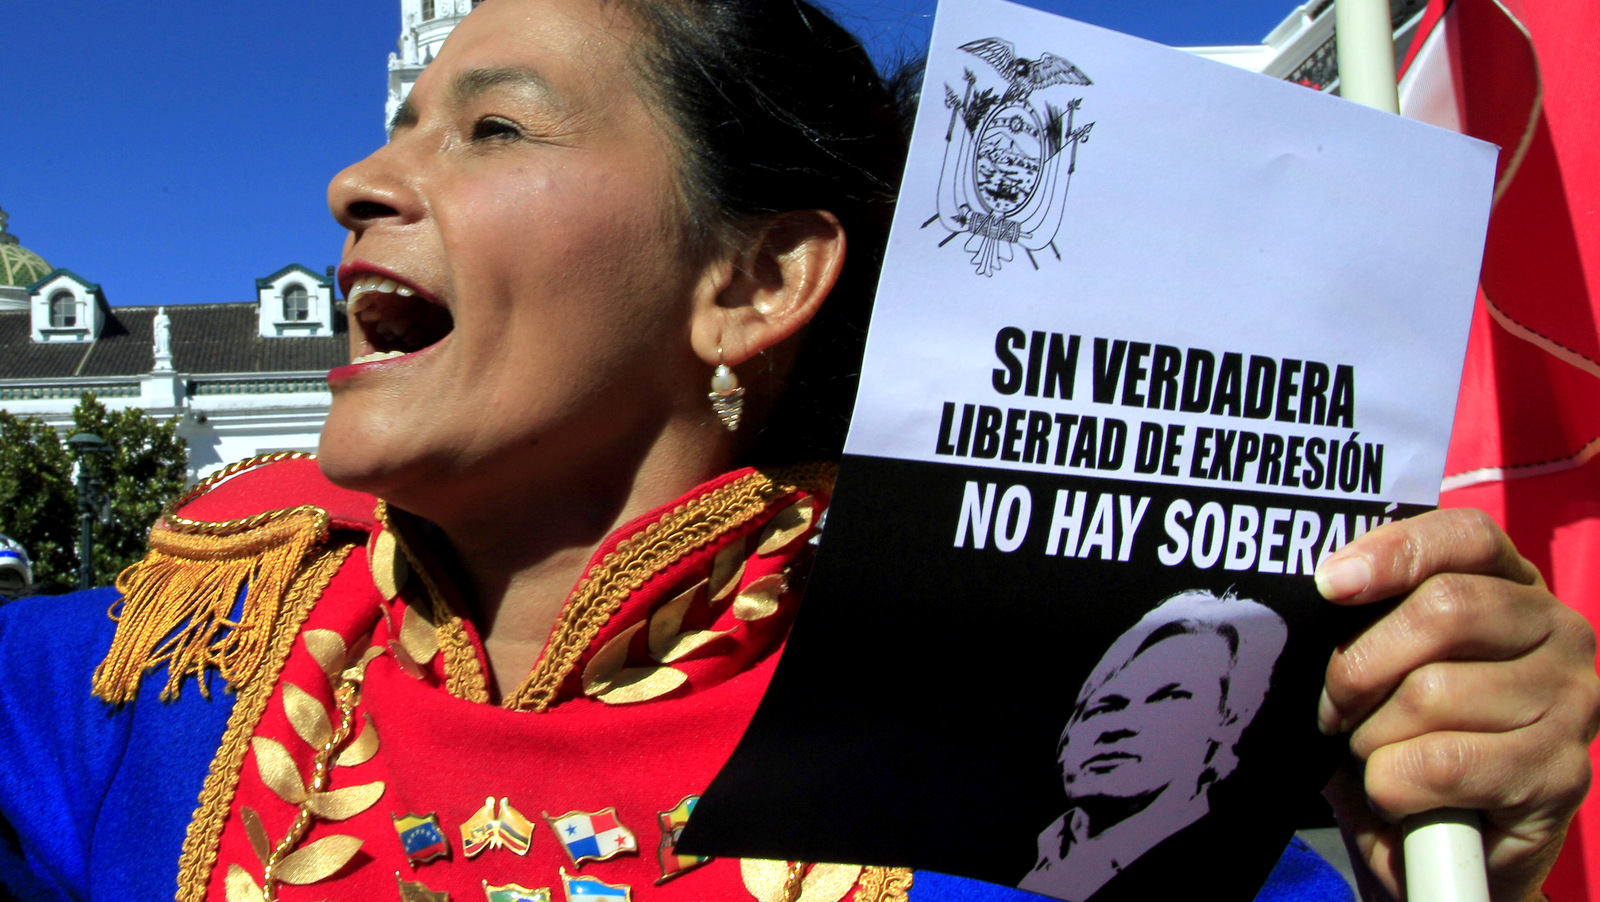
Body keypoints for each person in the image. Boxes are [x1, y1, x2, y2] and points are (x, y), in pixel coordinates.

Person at [0, 1, 1594, 901]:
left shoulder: (1051, 755)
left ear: (754, 280)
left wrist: (1464, 871)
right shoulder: (145, 690)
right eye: (401, 119)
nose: (354, 180)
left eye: (491, 126)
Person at [1020, 591, 1288, 900]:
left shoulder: (1269, 878)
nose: (1117, 726)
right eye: (1105, 706)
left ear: (1227, 725)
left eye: (1168, 700)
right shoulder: (1002, 849)